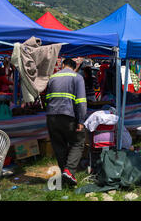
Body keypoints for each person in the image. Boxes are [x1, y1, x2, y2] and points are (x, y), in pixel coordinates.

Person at [45, 58, 87, 186]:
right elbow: (81, 101)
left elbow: (47, 99)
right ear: (75, 68)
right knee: (78, 142)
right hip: (68, 116)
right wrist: (81, 120)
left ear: (63, 65)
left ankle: (65, 175)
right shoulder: (77, 77)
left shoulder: (52, 77)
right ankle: (69, 171)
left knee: (59, 145)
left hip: (51, 116)